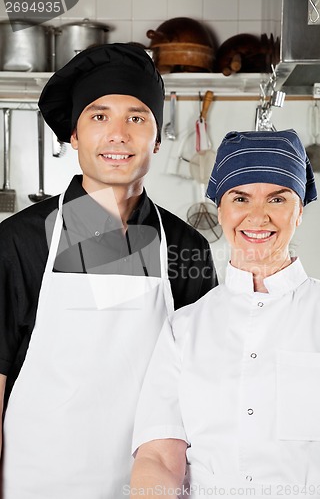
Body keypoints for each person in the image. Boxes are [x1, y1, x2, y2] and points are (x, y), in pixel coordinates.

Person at [0, 43, 217, 498]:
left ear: (157, 138)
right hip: (37, 482)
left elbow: (204, 386)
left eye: (136, 118)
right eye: (99, 116)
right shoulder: (20, 241)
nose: (118, 134)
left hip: (149, 486)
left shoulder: (185, 247)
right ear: (74, 135)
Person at [130, 129, 320, 499]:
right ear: (220, 210)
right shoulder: (184, 328)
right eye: (240, 198)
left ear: (299, 210)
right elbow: (158, 457)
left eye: (277, 198)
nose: (258, 216)